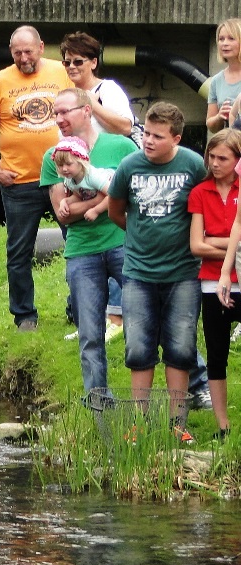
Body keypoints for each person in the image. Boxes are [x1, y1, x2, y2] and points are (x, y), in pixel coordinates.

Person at [107, 102, 207, 441]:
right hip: (137, 272)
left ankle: (178, 425)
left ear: (175, 138)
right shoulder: (129, 165)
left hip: (183, 273)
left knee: (181, 348)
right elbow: (116, 211)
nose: (148, 140)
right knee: (138, 348)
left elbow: (206, 206)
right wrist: (140, 237)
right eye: (146, 133)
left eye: (157, 136)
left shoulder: (193, 165)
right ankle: (138, 423)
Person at [0, 25, 73, 332]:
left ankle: (79, 309)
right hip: (18, 181)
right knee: (19, 252)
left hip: (63, 177)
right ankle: (24, 316)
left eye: (28, 51)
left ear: (42, 47)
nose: (23, 58)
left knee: (78, 245)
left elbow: (86, 114)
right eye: (17, 53)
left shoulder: (63, 72)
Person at [42, 89, 137, 398]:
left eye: (64, 111)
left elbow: (134, 197)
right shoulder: (54, 157)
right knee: (89, 335)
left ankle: (195, 384)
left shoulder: (121, 146)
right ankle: (99, 403)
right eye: (55, 114)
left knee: (152, 318)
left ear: (86, 110)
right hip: (82, 252)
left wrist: (97, 203)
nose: (59, 119)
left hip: (124, 244)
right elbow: (63, 215)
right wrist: (103, 199)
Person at [192, 130, 241, 437]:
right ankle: (222, 425)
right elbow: (196, 245)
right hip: (212, 281)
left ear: (237, 161)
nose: (215, 163)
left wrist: (216, 240)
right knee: (216, 353)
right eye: (211, 156)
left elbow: (206, 240)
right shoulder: (200, 192)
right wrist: (234, 246)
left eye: (223, 157)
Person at [60, 31, 135, 138]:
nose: (71, 66)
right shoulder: (66, 94)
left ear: (94, 63)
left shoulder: (107, 89)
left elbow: (125, 128)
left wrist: (93, 105)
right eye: (67, 63)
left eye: (78, 62)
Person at [52, 136, 113, 222]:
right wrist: (64, 202)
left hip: (113, 185)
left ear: (81, 161)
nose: (64, 169)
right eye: (60, 165)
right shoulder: (70, 178)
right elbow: (79, 195)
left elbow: (113, 195)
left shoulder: (92, 176)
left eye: (68, 164)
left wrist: (96, 210)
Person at [207, 19, 241, 132]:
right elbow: (211, 125)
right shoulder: (216, 81)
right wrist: (219, 116)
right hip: (230, 144)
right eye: (221, 39)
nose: (225, 43)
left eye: (231, 38)